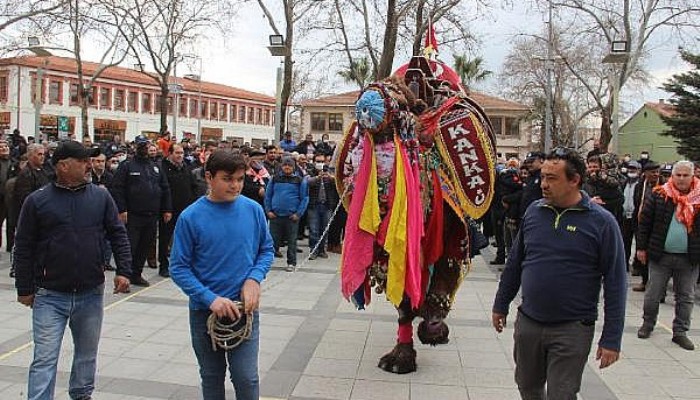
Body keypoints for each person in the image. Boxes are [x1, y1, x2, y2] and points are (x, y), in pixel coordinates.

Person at [492, 147, 627, 400]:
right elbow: (515, 262)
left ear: (575, 180)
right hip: (529, 321)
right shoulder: (534, 211)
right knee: (527, 387)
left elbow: (616, 283)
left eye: (552, 178)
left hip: (572, 328)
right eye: (542, 176)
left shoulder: (602, 222)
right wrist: (501, 304)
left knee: (561, 394)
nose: (543, 184)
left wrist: (612, 338)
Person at [13, 141, 132, 400]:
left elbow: (117, 233)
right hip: (49, 295)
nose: (88, 165)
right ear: (63, 166)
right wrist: (24, 288)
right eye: (82, 161)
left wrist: (124, 270)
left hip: (90, 293)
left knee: (86, 355)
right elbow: (22, 246)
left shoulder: (100, 196)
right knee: (44, 358)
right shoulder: (38, 200)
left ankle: (81, 395)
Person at [169, 150, 273, 400]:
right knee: (212, 376)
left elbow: (266, 250)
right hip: (205, 312)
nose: (235, 185)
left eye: (239, 178)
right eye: (227, 179)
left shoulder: (253, 210)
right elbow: (178, 267)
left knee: (246, 377)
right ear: (209, 177)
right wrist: (209, 299)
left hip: (244, 309)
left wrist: (253, 279)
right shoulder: (191, 217)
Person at [636, 160, 700, 351]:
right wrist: (641, 248)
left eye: (685, 175)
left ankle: (680, 332)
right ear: (672, 176)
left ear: (692, 176)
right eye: (677, 175)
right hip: (660, 256)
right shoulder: (659, 194)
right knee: (653, 294)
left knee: (685, 297)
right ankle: (648, 324)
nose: (681, 179)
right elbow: (644, 223)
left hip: (689, 258)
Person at [111, 137, 172, 287]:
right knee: (129, 247)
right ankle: (124, 276)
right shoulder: (127, 166)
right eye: (142, 146)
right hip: (133, 215)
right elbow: (117, 188)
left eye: (148, 145)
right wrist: (121, 209)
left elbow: (164, 188)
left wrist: (167, 209)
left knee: (144, 246)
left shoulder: (155, 167)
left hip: (152, 215)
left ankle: (136, 274)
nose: (145, 148)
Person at [158, 143, 197, 277]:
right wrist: (165, 208)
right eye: (177, 153)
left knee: (184, 237)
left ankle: (183, 263)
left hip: (185, 209)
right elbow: (163, 190)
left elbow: (194, 186)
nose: (180, 156)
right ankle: (163, 265)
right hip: (169, 209)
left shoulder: (186, 168)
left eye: (182, 153)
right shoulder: (162, 168)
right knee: (165, 238)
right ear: (170, 154)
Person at [264, 156, 308, 272]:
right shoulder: (274, 179)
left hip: (291, 217)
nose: (287, 167)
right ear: (281, 166)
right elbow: (268, 196)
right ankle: (267, 263)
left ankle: (291, 263)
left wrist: (298, 214)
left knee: (292, 241)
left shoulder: (299, 180)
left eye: (289, 165)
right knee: (272, 241)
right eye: (285, 165)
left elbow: (305, 198)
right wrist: (268, 210)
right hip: (275, 216)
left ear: (294, 167)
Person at [307, 153, 336, 259]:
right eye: (318, 161)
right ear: (314, 162)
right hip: (314, 205)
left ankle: (322, 250)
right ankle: (313, 250)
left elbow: (338, 183)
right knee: (314, 229)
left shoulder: (330, 172)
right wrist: (318, 177)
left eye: (322, 161)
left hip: (327, 205)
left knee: (325, 229)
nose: (320, 164)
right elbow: (307, 182)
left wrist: (331, 177)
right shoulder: (310, 171)